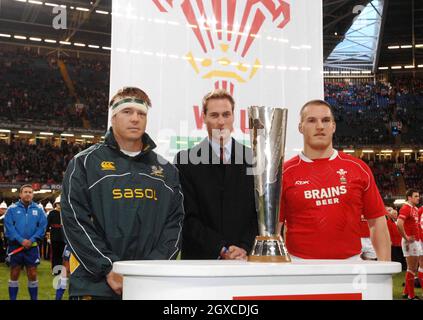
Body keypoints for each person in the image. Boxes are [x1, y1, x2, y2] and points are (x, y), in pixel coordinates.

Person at [61, 86, 184, 300]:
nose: (135, 119)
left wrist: (148, 272)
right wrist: (108, 268)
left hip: (149, 286)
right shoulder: (85, 163)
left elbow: (175, 225)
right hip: (96, 286)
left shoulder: (167, 170)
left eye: (141, 113)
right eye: (127, 111)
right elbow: (74, 220)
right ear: (114, 117)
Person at [279, 99, 391, 260]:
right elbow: (274, 230)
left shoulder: (358, 168)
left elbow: (377, 223)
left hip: (350, 266)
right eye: (311, 120)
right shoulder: (284, 173)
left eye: (325, 120)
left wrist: (385, 269)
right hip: (300, 266)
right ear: (300, 127)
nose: (320, 126)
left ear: (333, 126)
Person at [174, 89, 257, 260]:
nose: (221, 122)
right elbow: (187, 217)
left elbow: (257, 214)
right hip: (201, 261)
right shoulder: (185, 160)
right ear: (203, 117)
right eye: (214, 115)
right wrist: (221, 248)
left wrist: (244, 247)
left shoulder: (253, 158)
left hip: (245, 259)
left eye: (226, 114)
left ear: (234, 117)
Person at [4, 184, 47, 300]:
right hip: (15, 247)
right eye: (25, 192)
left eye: (30, 192)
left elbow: (42, 227)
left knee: (32, 273)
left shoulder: (39, 209)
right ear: (20, 194)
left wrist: (31, 240)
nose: (28, 194)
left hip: (31, 247)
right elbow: (8, 227)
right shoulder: (12, 209)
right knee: (14, 273)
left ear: (33, 194)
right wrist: (21, 240)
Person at [396, 189, 422, 300]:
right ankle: (411, 296)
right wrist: (405, 237)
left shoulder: (415, 209)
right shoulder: (406, 208)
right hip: (409, 241)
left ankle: (407, 293)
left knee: (413, 269)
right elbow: (399, 224)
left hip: (416, 241)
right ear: (409, 197)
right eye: (416, 196)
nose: (418, 198)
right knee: (412, 269)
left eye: (418, 196)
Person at [46, 195, 66, 274]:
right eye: (58, 203)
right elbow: (47, 225)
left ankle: (60, 270)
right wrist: (48, 236)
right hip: (54, 235)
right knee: (55, 254)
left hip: (63, 236)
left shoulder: (65, 213)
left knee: (62, 254)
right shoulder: (52, 213)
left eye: (61, 203)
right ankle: (55, 270)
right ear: (55, 204)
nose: (59, 205)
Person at [385, 205, 405, 270]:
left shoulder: (399, 221)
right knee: (395, 256)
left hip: (400, 241)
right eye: (394, 213)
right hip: (393, 242)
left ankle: (403, 267)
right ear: (390, 215)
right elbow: (389, 232)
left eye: (396, 213)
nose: (395, 215)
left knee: (401, 255)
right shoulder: (388, 222)